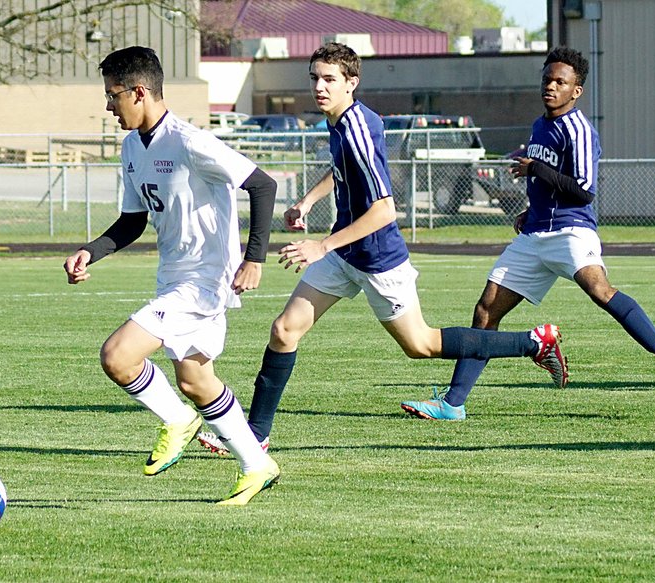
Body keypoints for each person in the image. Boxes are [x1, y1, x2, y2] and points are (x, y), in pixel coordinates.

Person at [196, 42, 567, 456]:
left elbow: (385, 210)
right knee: (285, 330)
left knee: (420, 345)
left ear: (352, 83)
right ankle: (255, 435)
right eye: (315, 78)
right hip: (346, 253)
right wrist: (309, 202)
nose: (320, 86)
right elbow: (342, 172)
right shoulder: (340, 122)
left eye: (330, 79)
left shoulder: (355, 128)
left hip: (377, 260)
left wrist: (322, 245)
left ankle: (534, 342)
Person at [401, 46, 655, 421]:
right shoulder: (540, 125)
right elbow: (549, 182)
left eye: (561, 82)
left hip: (571, 232)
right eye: (548, 79)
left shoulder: (579, 130)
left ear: (576, 91)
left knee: (601, 291)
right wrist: (532, 209)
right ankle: (453, 404)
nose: (552, 86)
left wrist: (536, 169)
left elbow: (583, 190)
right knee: (485, 311)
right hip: (535, 236)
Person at [63, 46, 280, 505]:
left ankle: (178, 422)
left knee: (118, 356)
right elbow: (132, 222)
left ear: (139, 92)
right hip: (173, 279)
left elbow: (262, 184)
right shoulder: (131, 148)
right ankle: (256, 464)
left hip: (204, 282)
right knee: (195, 381)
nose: (108, 106)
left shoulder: (189, 141)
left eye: (112, 95)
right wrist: (91, 251)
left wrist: (254, 258)